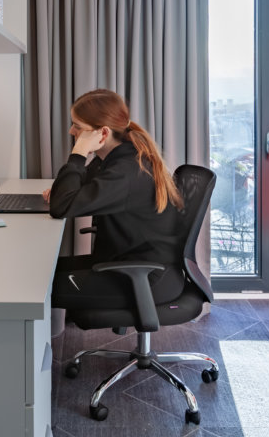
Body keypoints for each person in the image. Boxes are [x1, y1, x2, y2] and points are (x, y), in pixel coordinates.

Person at [44, 89, 184, 311]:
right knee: (39, 272)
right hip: (124, 263)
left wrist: (79, 151)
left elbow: (61, 206)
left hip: (142, 278)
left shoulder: (126, 171)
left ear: (103, 133)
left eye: (78, 127)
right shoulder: (115, 157)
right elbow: (70, 192)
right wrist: (64, 190)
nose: (72, 131)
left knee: (37, 287)